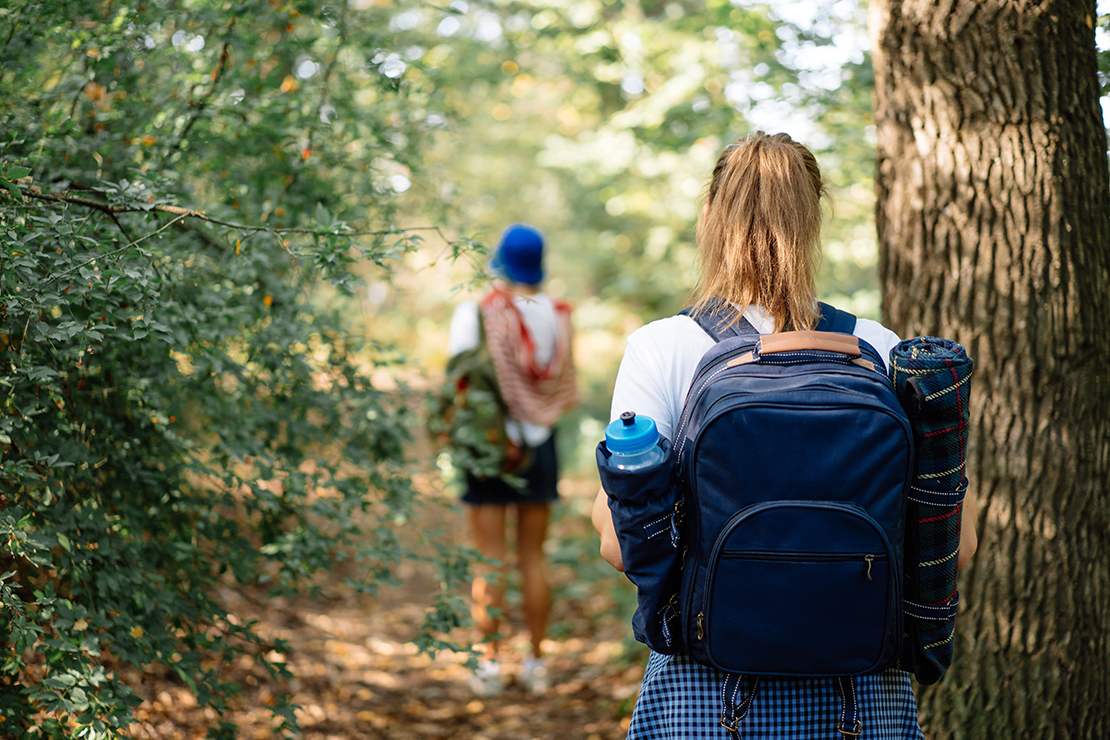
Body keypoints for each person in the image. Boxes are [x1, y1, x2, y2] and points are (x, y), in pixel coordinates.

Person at [591, 132, 979, 738]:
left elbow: (620, 543)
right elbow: (957, 540)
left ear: (709, 219)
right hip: (861, 692)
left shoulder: (663, 348)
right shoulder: (877, 348)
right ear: (815, 220)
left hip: (706, 690)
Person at [447, 223, 577, 696]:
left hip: (490, 446)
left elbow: (458, 381)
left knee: (490, 559)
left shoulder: (477, 311)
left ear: (498, 260)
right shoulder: (555, 313)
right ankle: (536, 663)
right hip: (540, 445)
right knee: (532, 557)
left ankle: (487, 665)